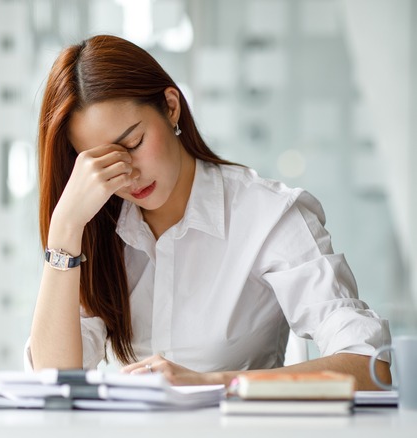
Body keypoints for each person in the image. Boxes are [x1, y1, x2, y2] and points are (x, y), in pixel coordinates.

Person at [26, 34, 392, 389]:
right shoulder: (97, 230)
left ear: (171, 107)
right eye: (103, 165)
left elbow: (368, 366)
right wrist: (65, 228)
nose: (128, 175)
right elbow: (52, 382)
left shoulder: (266, 214)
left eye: (134, 143)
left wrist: (212, 383)